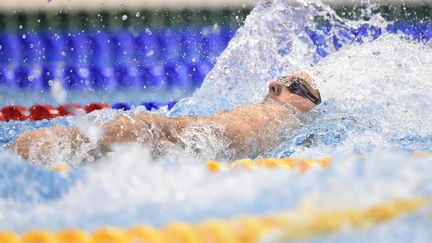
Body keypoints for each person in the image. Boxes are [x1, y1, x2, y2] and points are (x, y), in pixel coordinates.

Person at [10, 71, 321, 164]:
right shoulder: (293, 127)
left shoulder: (291, 118)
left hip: (191, 137)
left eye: (295, 85)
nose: (275, 84)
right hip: (190, 136)